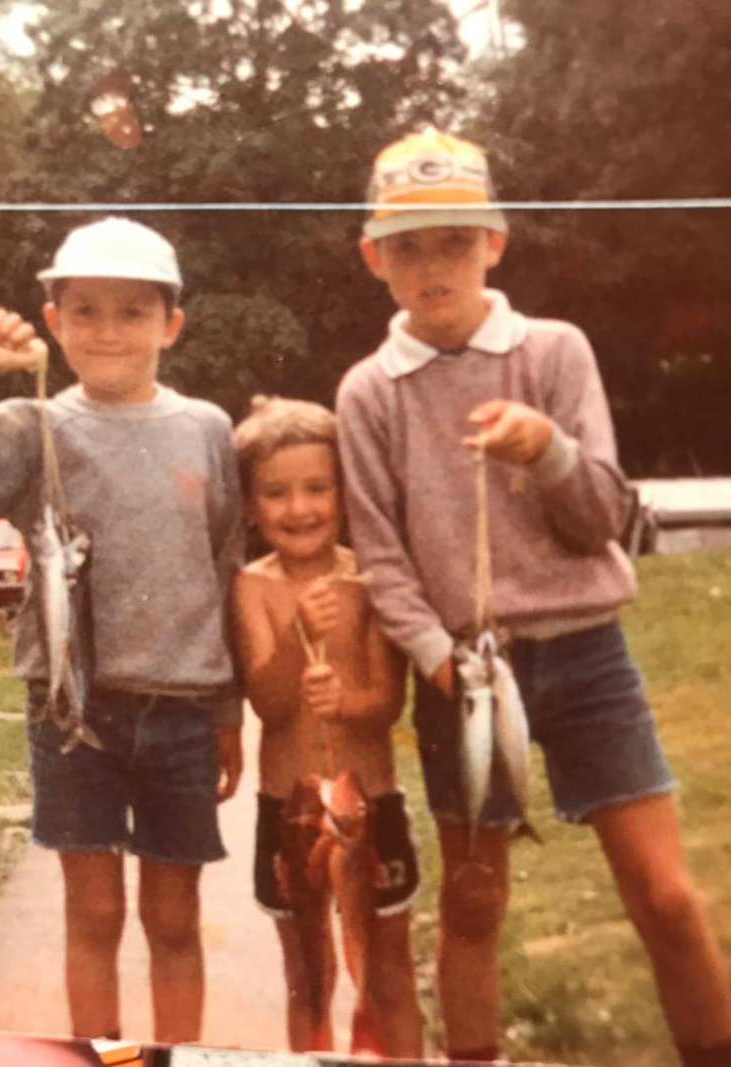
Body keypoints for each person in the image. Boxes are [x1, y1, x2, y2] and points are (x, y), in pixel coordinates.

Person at [335, 130, 731, 1067]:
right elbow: (383, 562)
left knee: (666, 893)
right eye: (409, 247)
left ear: (496, 243)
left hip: (586, 650)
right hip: (461, 673)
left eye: (455, 242)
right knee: (475, 901)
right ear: (374, 258)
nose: (433, 267)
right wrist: (436, 654)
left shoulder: (554, 350)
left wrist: (544, 449)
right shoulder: (368, 392)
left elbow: (603, 515)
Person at [0, 217, 243, 1044]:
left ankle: (176, 1060)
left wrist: (228, 709)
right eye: (87, 310)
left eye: (132, 312)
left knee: (175, 919)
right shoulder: (32, 426)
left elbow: (224, 570)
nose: (108, 331)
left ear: (170, 325)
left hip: (182, 707)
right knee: (94, 912)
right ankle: (107, 1064)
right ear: (55, 320)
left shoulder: (207, 428)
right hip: (71, 709)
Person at [231, 396, 423, 1057]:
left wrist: (346, 700)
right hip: (288, 812)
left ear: (344, 492)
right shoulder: (251, 586)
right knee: (307, 975)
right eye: (276, 493)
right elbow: (269, 701)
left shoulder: (369, 579)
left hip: (370, 806)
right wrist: (297, 636)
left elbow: (386, 702)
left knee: (390, 970)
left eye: (318, 487)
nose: (300, 507)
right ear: (251, 506)